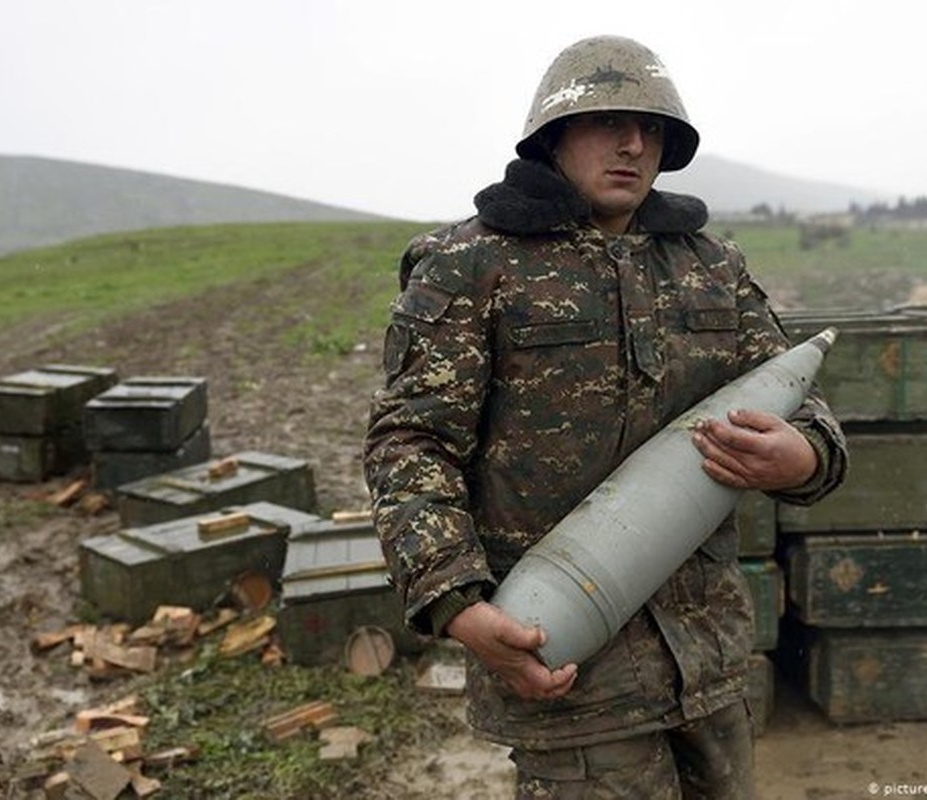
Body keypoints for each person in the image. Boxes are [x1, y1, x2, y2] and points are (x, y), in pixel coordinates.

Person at [363, 35, 848, 798]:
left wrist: (808, 455)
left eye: (651, 128)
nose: (632, 144)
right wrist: (453, 599)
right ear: (553, 135)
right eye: (607, 122)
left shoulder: (708, 264)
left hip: (708, 652)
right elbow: (409, 444)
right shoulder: (472, 265)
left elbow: (790, 392)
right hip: (566, 664)